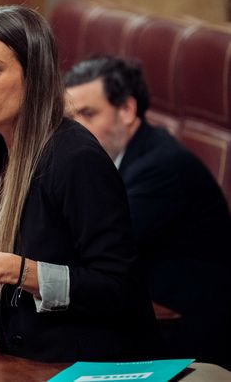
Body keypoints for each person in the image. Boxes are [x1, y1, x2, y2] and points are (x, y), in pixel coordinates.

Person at [0, 5, 159, 362]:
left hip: (92, 365)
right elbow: (43, 253)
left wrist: (12, 270)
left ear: (33, 77)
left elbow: (119, 289)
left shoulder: (74, 158)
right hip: (27, 360)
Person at [64, 56, 231, 367]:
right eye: (71, 117)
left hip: (186, 332)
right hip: (140, 312)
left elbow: (94, 247)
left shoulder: (162, 167)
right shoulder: (117, 158)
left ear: (127, 109)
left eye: (88, 114)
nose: (76, 128)